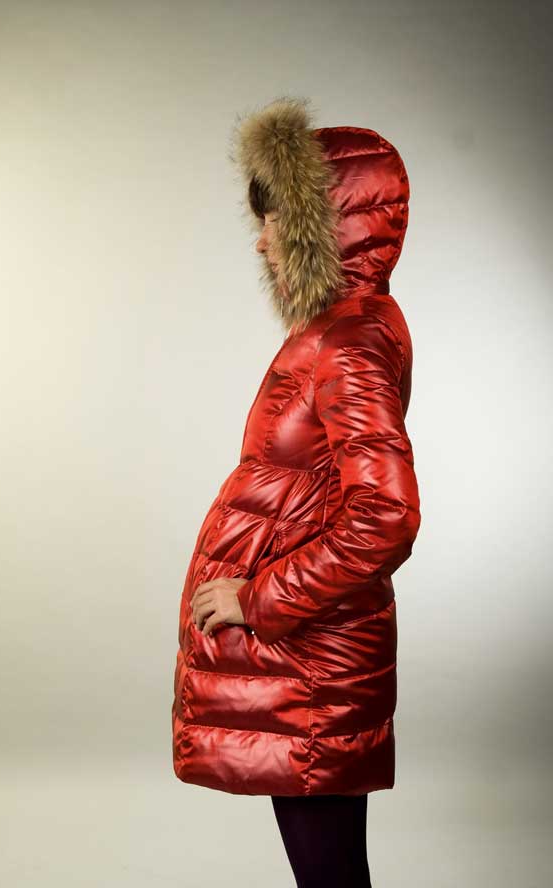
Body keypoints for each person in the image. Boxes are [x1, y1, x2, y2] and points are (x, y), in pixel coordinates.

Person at [171, 95, 421, 887]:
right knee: (331, 868)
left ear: (326, 227)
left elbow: (385, 515)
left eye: (276, 218)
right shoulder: (340, 329)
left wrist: (258, 598)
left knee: (330, 873)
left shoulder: (350, 340)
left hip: (311, 658)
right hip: (308, 657)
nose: (261, 238)